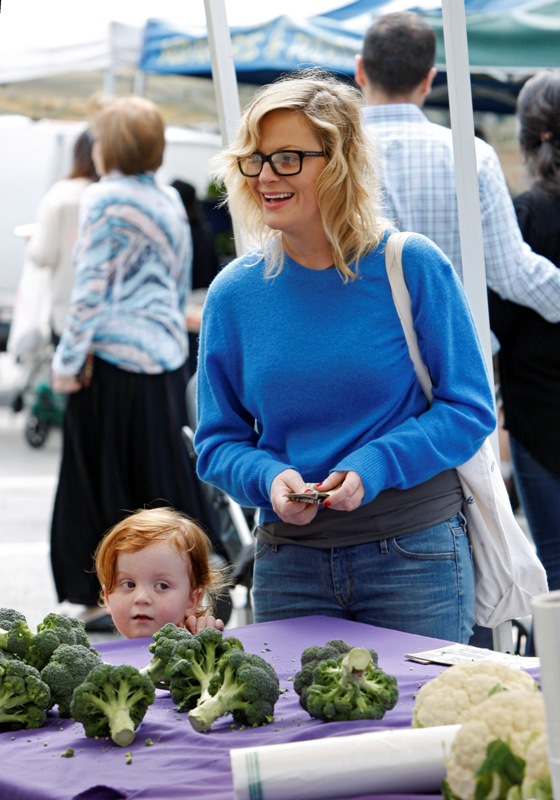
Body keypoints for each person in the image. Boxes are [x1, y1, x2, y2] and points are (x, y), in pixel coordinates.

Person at [194, 69, 496, 644]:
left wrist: (374, 465)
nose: (265, 176)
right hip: (288, 564)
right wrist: (268, 478)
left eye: (287, 159)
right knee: (294, 711)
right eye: (255, 160)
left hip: (415, 558)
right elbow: (216, 443)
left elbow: (469, 408)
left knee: (422, 707)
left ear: (340, 161)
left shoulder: (411, 265)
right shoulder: (233, 293)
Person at [50, 96, 216, 632]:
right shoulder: (167, 197)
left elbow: (89, 288)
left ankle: (103, 594)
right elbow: (177, 279)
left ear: (111, 145)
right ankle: (182, 591)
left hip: (112, 358)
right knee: (161, 476)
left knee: (98, 477)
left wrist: (67, 360)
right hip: (163, 356)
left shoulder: (103, 197)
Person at [354, 11, 560, 327]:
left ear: (360, 70)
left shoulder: (330, 156)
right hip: (457, 344)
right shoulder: (473, 156)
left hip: (365, 345)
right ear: (428, 79)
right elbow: (512, 272)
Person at [489, 69, 560, 594]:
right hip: (537, 412)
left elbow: (499, 319)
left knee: (553, 565)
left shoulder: (526, 213)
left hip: (539, 416)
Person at [94, 507, 226, 638]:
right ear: (107, 598)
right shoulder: (99, 651)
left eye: (162, 586)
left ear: (192, 600)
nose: (141, 598)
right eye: (129, 584)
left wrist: (208, 644)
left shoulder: (196, 645)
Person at [27, 128, 99, 344]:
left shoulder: (61, 193)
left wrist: (32, 240)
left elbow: (43, 255)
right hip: (105, 319)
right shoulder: (116, 195)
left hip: (66, 311)